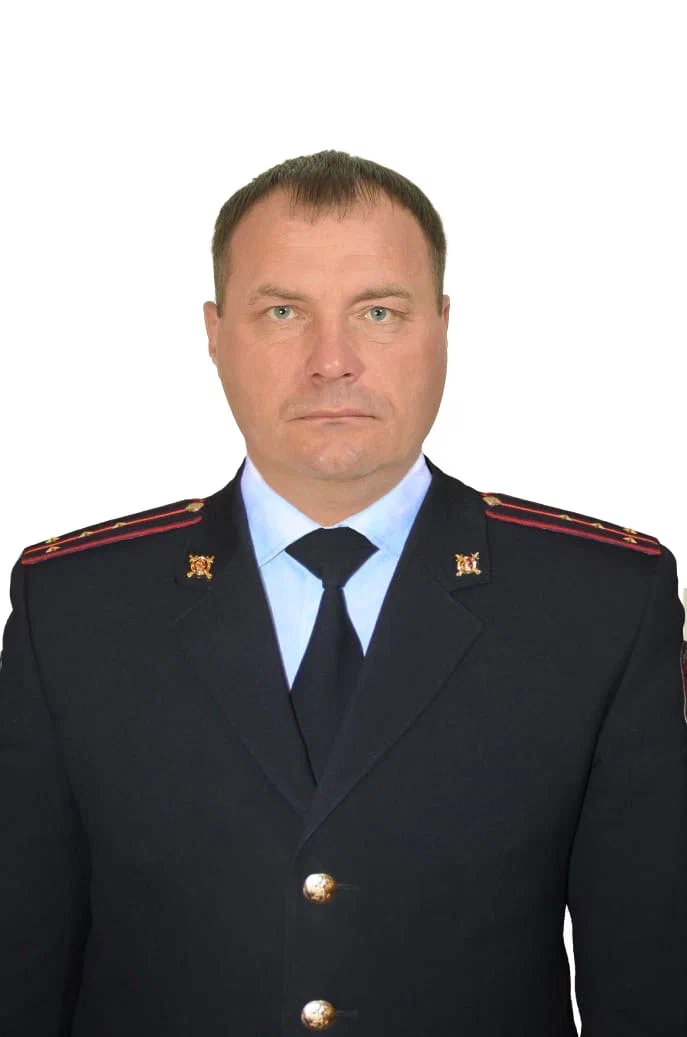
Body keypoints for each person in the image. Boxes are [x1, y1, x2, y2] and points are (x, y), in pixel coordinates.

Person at [1, 149, 685, 1037]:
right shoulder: (74, 609)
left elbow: (651, 986)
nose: (333, 361)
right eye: (283, 311)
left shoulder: (599, 606)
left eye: (378, 312)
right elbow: (21, 970)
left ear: (441, 326)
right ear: (215, 333)